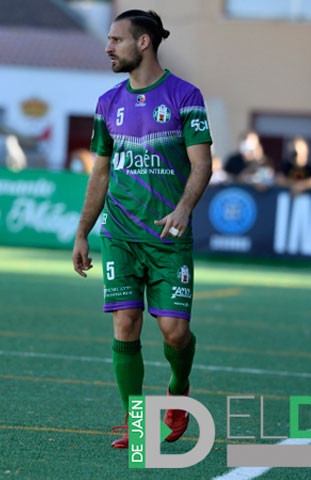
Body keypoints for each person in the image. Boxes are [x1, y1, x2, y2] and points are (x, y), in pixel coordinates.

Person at [71, 9, 213, 450]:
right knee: (125, 324)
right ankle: (137, 424)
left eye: (116, 39)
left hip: (169, 240)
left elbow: (202, 164)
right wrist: (82, 232)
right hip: (121, 236)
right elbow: (99, 174)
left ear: (144, 42)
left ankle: (178, 386)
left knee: (174, 332)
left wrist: (185, 207)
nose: (108, 47)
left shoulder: (185, 96)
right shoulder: (107, 103)